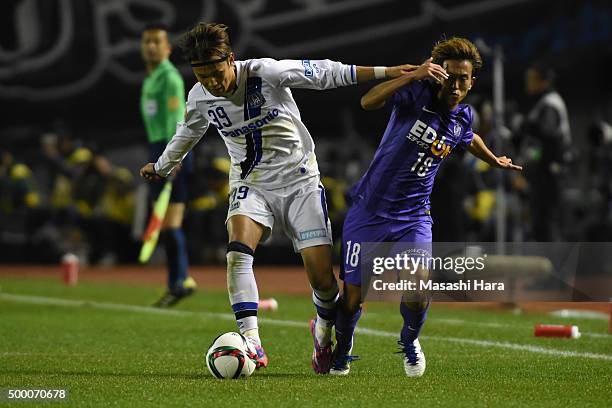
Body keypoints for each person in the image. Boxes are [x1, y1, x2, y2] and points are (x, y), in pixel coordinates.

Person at [139, 22, 416, 372]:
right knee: (237, 253)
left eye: (215, 72)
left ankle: (323, 332)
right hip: (251, 183)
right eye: (202, 74)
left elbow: (326, 73)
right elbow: (187, 133)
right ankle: (252, 342)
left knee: (324, 283)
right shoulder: (199, 96)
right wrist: (162, 166)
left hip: (300, 180)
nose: (211, 81)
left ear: (232, 60)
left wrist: (387, 72)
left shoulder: (266, 73)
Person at [333, 37, 522, 377]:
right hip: (370, 211)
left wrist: (493, 159)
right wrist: (412, 75)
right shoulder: (416, 96)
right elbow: (368, 101)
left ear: (471, 81)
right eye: (449, 75)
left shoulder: (464, 115)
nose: (455, 84)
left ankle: (409, 340)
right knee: (352, 297)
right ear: (438, 72)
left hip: (414, 217)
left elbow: (469, 137)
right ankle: (343, 349)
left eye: (463, 78)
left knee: (419, 287)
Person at [140, 24, 197, 307]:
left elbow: (179, 122)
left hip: (171, 152)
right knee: (166, 223)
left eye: (156, 42)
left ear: (167, 49)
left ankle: (182, 280)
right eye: (147, 42)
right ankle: (177, 281)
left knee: (170, 221)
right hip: (159, 149)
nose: (151, 46)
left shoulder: (170, 78)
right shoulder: (150, 79)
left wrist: (171, 159)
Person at [521, 61, 571, 241]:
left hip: (550, 173)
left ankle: (556, 268)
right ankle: (549, 266)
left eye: (531, 79)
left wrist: (525, 124)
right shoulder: (542, 103)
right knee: (541, 224)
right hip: (542, 173)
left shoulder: (550, 103)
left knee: (548, 222)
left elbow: (546, 131)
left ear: (543, 81)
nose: (528, 83)